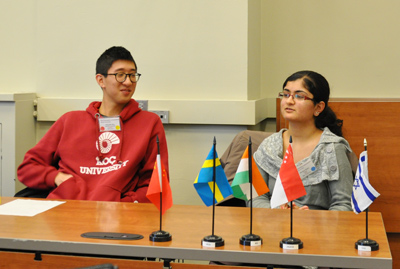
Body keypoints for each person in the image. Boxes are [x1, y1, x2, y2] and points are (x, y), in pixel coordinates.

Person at [17, 46, 168, 203]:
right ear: (100, 80)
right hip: (64, 211)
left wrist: (126, 205)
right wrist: (57, 178)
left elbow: (156, 185)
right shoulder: (69, 121)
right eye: (120, 75)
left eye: (132, 75)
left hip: (117, 217)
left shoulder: (149, 123)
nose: (128, 82)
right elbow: (28, 168)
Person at [252, 70, 353, 211]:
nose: (289, 101)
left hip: (318, 230)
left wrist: (310, 219)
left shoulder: (331, 148)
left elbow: (344, 204)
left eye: (299, 96)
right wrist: (277, 214)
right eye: (286, 94)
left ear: (318, 107)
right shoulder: (269, 146)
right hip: (273, 227)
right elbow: (255, 197)